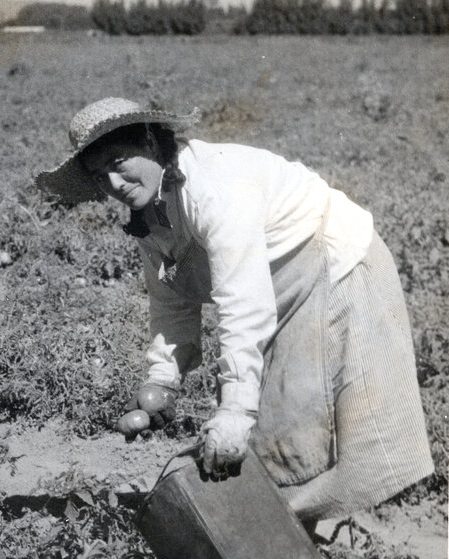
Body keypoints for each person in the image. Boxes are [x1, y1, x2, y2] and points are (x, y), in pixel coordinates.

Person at [36, 97, 433, 521]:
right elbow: (171, 300)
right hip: (275, 287)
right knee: (275, 427)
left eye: (119, 163)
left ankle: (298, 535)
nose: (114, 183)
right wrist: (163, 379)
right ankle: (279, 531)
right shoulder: (149, 212)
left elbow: (242, 303)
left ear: (149, 142)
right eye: (100, 175)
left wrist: (235, 411)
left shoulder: (214, 187)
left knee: (310, 421)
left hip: (333, 262)